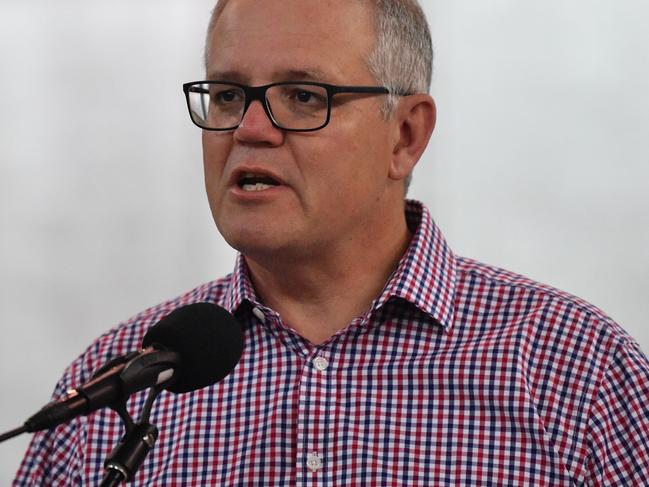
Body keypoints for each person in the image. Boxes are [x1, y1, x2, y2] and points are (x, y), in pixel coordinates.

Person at [14, 0, 649, 485]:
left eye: (302, 96)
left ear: (404, 136)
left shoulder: (578, 373)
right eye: (228, 95)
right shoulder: (117, 384)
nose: (250, 129)